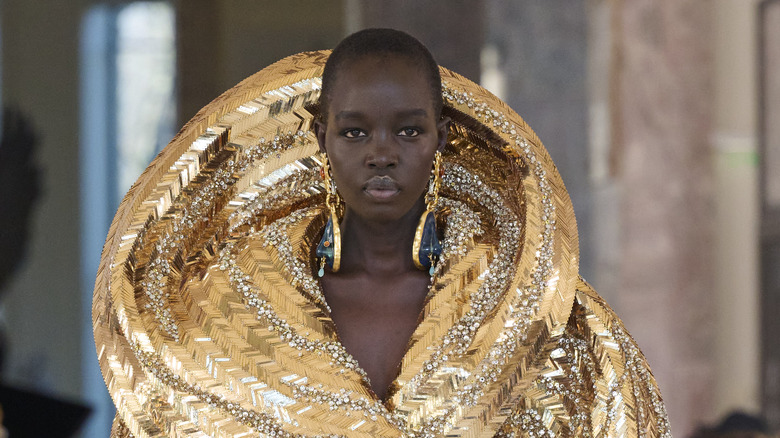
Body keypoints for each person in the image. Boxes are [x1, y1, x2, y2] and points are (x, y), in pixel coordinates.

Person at [93, 29, 671, 437]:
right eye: (355, 133)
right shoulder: (223, 308)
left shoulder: (536, 308)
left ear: (443, 135)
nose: (382, 155)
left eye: (408, 130)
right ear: (319, 135)